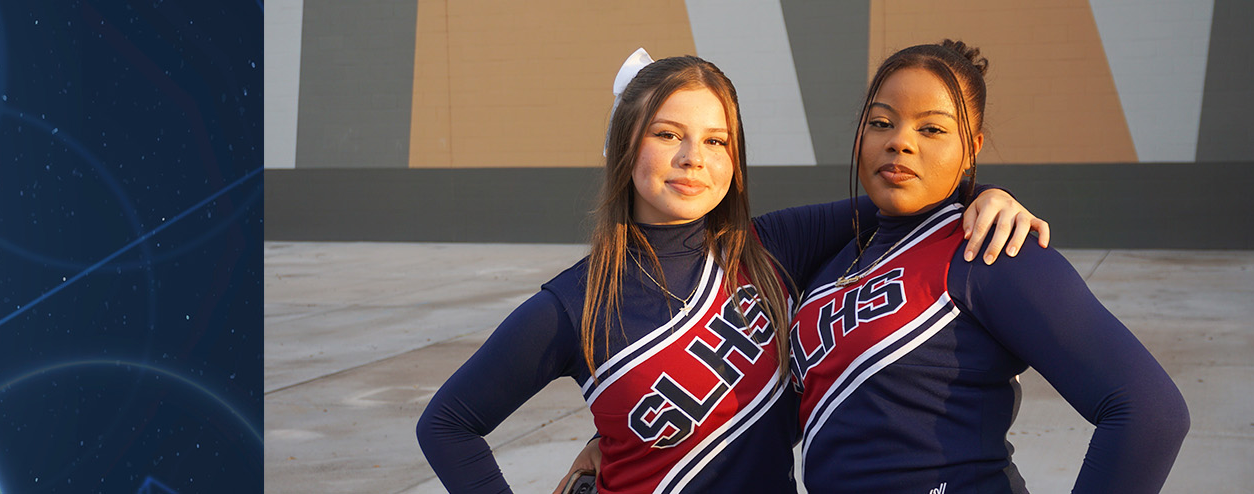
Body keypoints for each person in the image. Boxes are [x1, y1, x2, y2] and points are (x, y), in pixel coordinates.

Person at [416, 50, 1051, 494]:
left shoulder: (774, 245)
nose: (694, 158)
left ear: (735, 160)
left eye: (717, 141)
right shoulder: (574, 302)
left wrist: (985, 194)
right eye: (668, 134)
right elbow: (446, 425)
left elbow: (911, 190)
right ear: (623, 146)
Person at [789, 40, 1190, 493]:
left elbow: (1150, 413)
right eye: (882, 123)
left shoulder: (993, 250)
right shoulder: (834, 257)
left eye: (933, 130)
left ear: (971, 149)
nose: (900, 141)